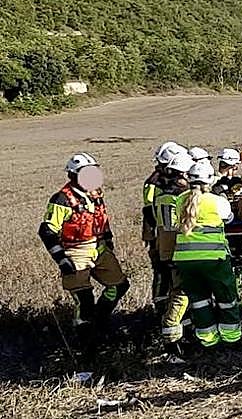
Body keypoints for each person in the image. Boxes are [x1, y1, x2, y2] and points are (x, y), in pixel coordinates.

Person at [39, 153, 129, 341]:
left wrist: (108, 242)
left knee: (119, 285)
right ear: (73, 175)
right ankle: (85, 347)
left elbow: (102, 222)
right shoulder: (61, 200)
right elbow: (47, 231)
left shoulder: (95, 194)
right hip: (75, 252)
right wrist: (61, 259)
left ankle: (100, 319)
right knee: (85, 301)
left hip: (100, 248)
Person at [173, 160, 241, 348]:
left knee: (199, 301)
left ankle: (208, 341)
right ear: (210, 181)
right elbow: (230, 219)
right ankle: (231, 338)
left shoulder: (179, 200)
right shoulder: (217, 201)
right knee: (226, 298)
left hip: (185, 261)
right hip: (214, 259)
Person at [157, 150, 195, 350]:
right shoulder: (171, 198)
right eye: (188, 174)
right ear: (180, 174)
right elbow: (175, 228)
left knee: (183, 293)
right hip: (174, 251)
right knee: (180, 293)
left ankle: (185, 334)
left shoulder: (170, 195)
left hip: (172, 251)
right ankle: (171, 340)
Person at [144, 141, 185, 314]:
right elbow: (149, 211)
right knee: (162, 270)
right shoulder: (154, 183)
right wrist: (153, 236)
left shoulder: (167, 180)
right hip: (160, 233)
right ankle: (161, 306)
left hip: (167, 231)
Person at [213, 148, 242, 219]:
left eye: (234, 168)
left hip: (236, 213)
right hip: (220, 212)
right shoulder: (213, 179)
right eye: (223, 165)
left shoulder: (239, 180)